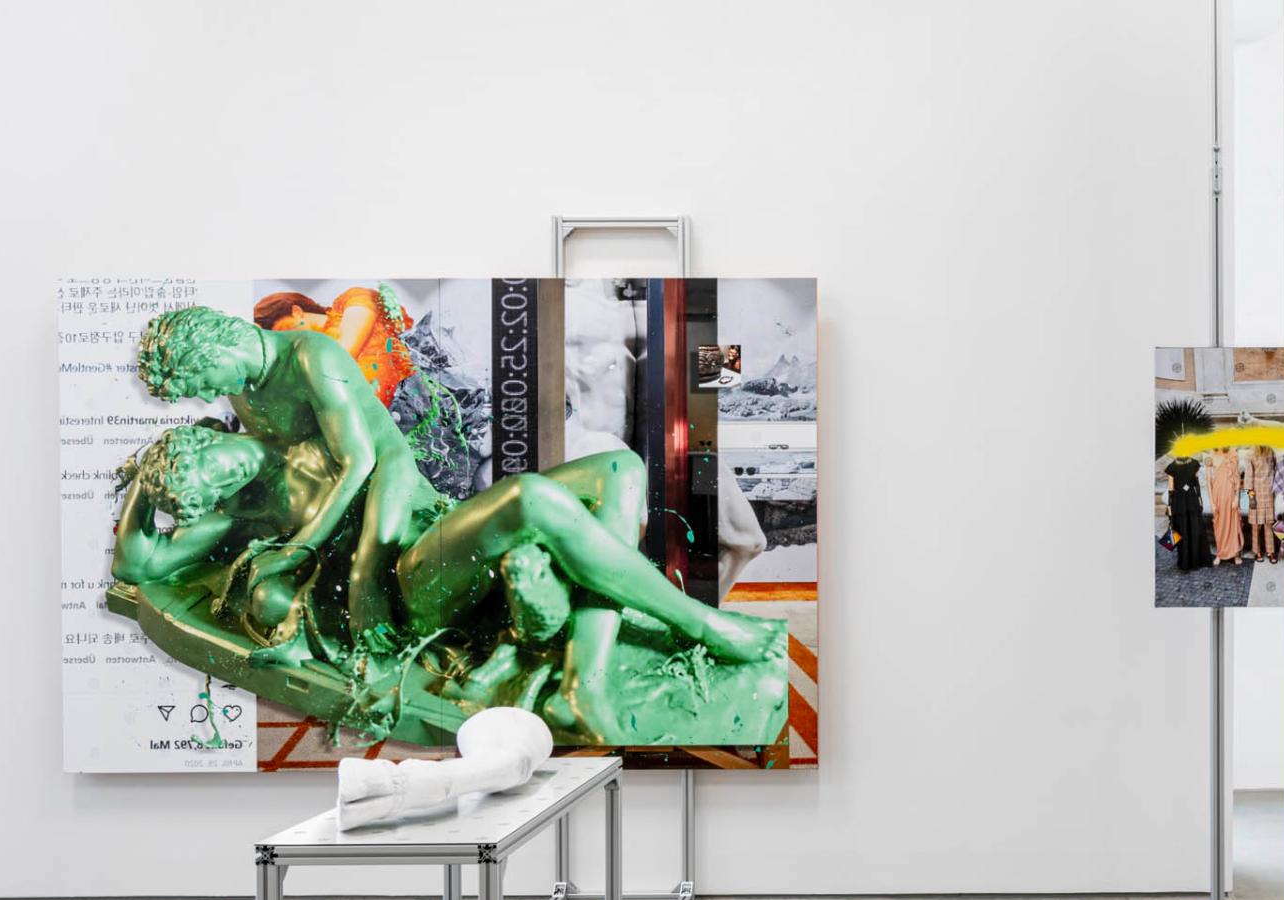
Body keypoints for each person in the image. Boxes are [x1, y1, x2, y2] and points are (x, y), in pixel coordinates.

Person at [112, 421, 784, 742]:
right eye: (216, 489)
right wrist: (144, 482)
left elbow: (392, 457)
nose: (232, 478)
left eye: (221, 464)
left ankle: (582, 677)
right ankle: (700, 623)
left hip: (437, 527)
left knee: (619, 470)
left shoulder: (296, 421)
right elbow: (136, 567)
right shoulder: (245, 513)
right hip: (404, 587)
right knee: (528, 499)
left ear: (207, 435)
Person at [138, 305, 436, 653]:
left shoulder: (312, 358)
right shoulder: (241, 388)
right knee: (269, 599)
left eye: (202, 383)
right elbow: (279, 460)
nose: (206, 397)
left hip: (383, 479)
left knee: (366, 583)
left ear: (215, 351)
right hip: (326, 501)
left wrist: (295, 552)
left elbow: (359, 462)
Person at [254, 285, 416, 408]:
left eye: (285, 330)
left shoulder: (353, 300)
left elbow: (343, 354)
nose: (290, 341)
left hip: (412, 398)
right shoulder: (309, 356)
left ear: (296, 312)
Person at [1165, 455, 1210, 573]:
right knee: (1195, 529)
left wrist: (1169, 506)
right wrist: (1199, 500)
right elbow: (1197, 484)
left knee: (1182, 530)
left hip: (1179, 502)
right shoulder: (1194, 463)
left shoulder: (1171, 467)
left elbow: (1171, 489)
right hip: (1192, 500)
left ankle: (1185, 563)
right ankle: (1197, 560)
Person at [1208, 448, 1244, 565]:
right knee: (1219, 526)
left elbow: (1237, 478)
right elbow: (1208, 482)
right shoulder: (1210, 456)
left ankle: (1235, 554)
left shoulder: (1233, 455)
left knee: (1234, 525)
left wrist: (1237, 497)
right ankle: (1220, 553)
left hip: (1231, 496)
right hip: (1217, 497)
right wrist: (1212, 503)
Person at [1247, 445, 1277, 561]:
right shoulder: (1251, 453)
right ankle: (1257, 551)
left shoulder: (1271, 451)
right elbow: (1248, 477)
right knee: (1256, 525)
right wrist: (1251, 497)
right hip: (1257, 493)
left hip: (1269, 493)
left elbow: (1276, 470)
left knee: (1269, 523)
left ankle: (1270, 551)